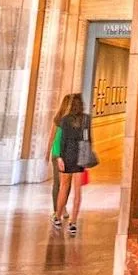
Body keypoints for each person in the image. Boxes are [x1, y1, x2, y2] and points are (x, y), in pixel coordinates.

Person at [51, 94, 91, 235]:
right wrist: (85, 160)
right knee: (77, 193)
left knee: (63, 187)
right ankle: (73, 223)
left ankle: (57, 216)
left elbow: (62, 141)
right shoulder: (86, 119)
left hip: (67, 156)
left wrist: (59, 158)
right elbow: (87, 140)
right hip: (79, 158)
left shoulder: (65, 120)